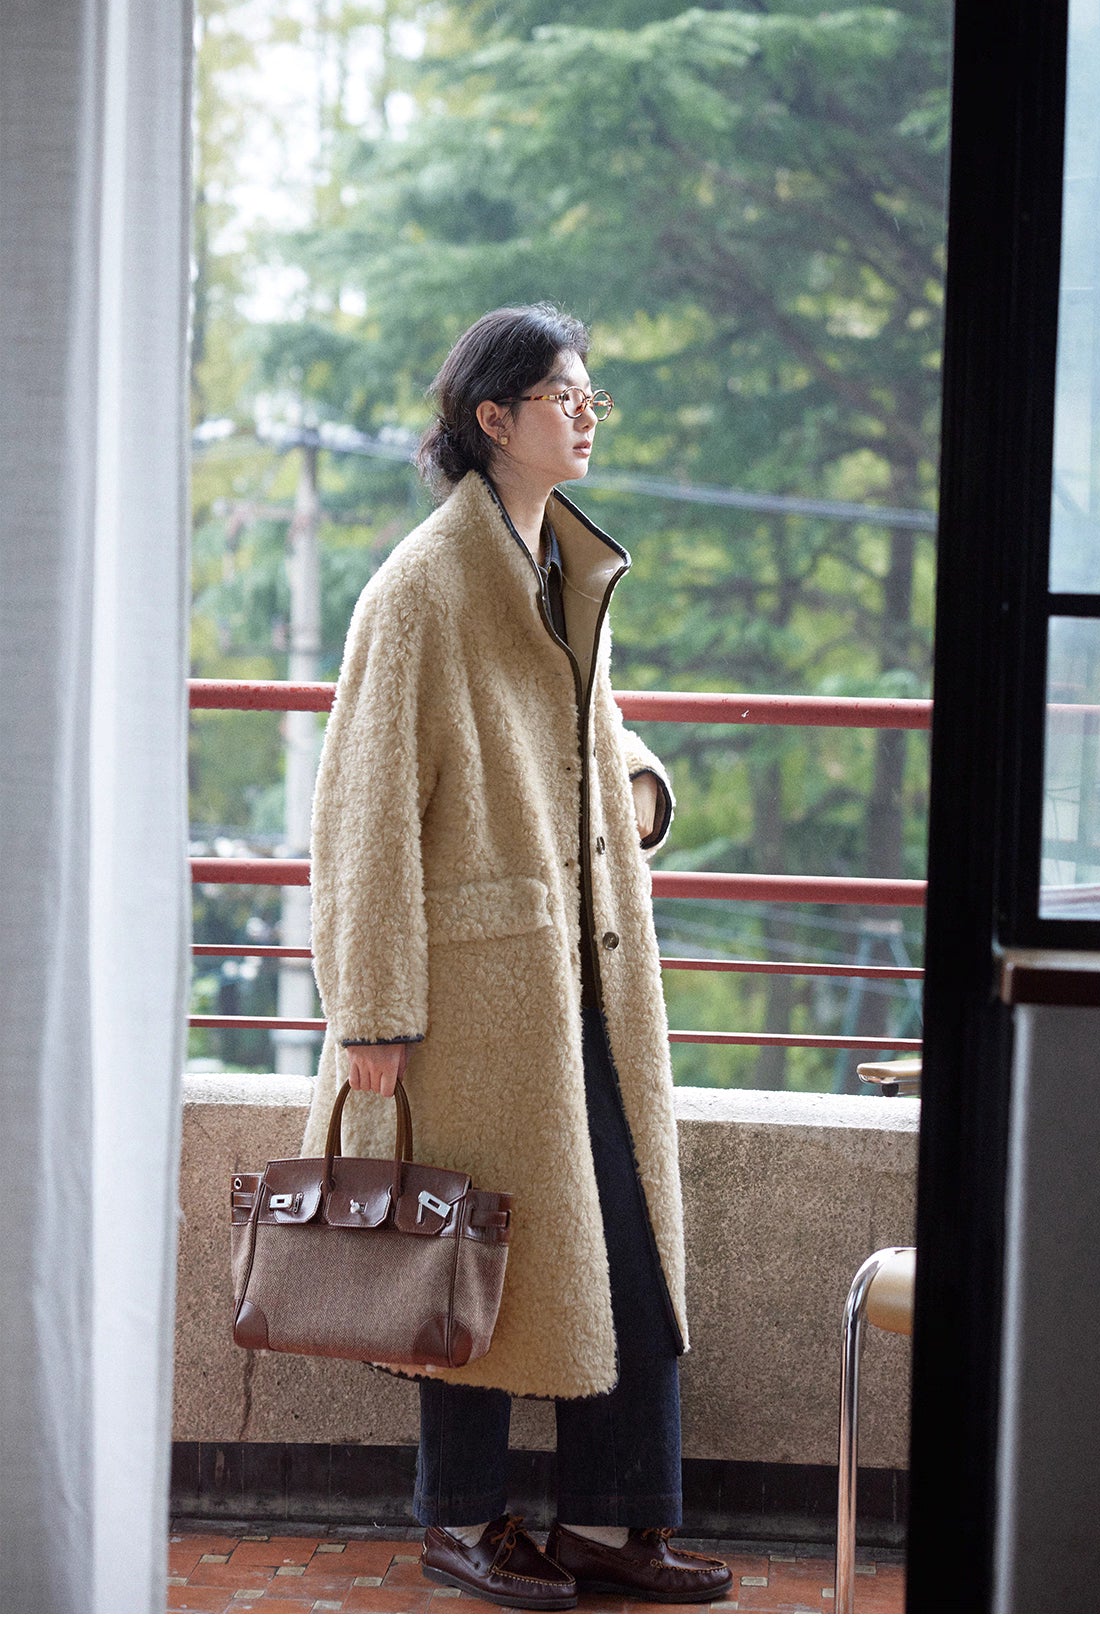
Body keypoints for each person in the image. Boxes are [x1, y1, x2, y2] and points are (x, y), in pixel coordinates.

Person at [300, 303, 732, 1610]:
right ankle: (463, 1519)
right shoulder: (421, 590)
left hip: (585, 972)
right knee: (462, 1248)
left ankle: (614, 1519)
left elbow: (585, 723)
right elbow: (362, 816)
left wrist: (635, 786)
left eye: (591, 391)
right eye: (563, 393)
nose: (588, 412)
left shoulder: (558, 565)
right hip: (472, 997)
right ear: (495, 419)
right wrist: (372, 1009)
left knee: (629, 1242)